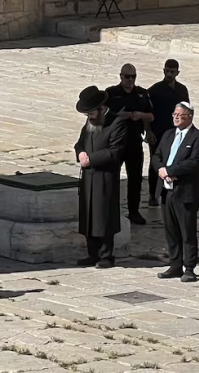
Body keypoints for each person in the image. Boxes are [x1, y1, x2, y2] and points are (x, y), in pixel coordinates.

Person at [151, 102, 199, 283]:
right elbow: (156, 155)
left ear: (189, 117)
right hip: (167, 191)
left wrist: (171, 171)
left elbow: (195, 163)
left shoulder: (198, 138)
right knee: (171, 230)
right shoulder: (168, 135)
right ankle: (175, 264)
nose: (176, 117)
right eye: (174, 114)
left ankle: (189, 267)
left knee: (187, 232)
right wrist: (161, 168)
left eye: (180, 115)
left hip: (186, 192)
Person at [74, 86, 127, 269]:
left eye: (91, 112)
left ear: (101, 109)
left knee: (104, 217)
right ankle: (92, 253)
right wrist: (80, 153)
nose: (89, 116)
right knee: (89, 216)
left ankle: (106, 255)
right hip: (88, 178)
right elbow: (79, 144)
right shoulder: (88, 125)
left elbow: (115, 152)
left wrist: (92, 159)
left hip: (105, 177)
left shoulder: (116, 123)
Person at [106, 64, 154, 225]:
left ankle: (134, 211)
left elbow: (151, 116)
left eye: (133, 77)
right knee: (111, 177)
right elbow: (103, 113)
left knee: (135, 178)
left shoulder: (141, 93)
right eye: (127, 77)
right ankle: (109, 210)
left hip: (134, 140)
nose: (130, 80)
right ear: (121, 76)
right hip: (116, 142)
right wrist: (118, 115)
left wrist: (141, 116)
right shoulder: (111, 93)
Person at [147, 59, 190, 206]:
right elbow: (148, 112)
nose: (170, 74)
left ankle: (168, 191)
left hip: (175, 132)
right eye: (167, 71)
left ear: (177, 72)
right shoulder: (154, 90)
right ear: (163, 71)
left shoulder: (182, 90)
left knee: (173, 161)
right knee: (156, 162)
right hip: (158, 131)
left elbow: (187, 110)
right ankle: (153, 194)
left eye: (173, 71)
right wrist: (148, 132)